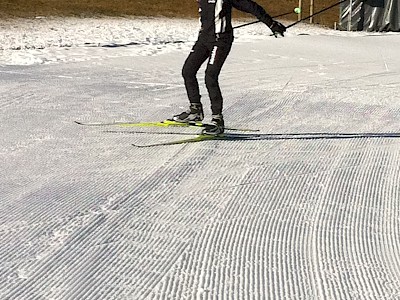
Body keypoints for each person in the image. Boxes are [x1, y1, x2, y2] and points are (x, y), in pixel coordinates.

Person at [171, 0, 286, 135]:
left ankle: (217, 121)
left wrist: (271, 24)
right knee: (188, 71)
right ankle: (195, 111)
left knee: (210, 77)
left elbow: (251, 6)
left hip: (221, 40)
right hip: (204, 39)